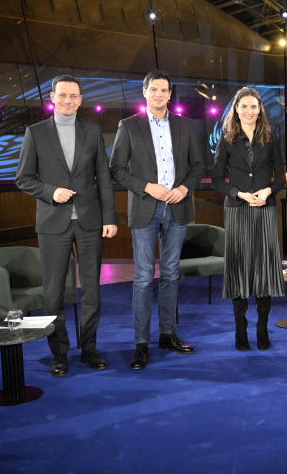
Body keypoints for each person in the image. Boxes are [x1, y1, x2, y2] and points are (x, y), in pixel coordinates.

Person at [15, 74, 117, 377]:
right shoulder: (35, 132)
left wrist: (109, 218)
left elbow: (103, 178)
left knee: (92, 292)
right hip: (52, 223)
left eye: (74, 96)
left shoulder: (93, 131)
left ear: (81, 99)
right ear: (52, 97)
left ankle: (89, 348)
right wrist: (51, 192)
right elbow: (23, 178)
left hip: (89, 222)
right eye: (63, 96)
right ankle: (59, 353)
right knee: (53, 292)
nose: (68, 101)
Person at [109, 70, 205, 370]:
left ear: (170, 93)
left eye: (164, 90)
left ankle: (167, 334)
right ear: (145, 91)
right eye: (154, 90)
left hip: (177, 208)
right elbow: (117, 169)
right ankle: (141, 344)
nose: (160, 95)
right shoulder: (128, 125)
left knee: (171, 274)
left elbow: (198, 164)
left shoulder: (185, 125)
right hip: (145, 208)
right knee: (142, 279)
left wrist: (184, 188)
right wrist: (146, 186)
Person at [211, 87, 286, 351]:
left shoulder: (271, 137)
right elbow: (217, 180)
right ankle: (240, 330)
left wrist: (268, 190)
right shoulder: (226, 139)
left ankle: (262, 328)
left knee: (263, 271)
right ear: (236, 109)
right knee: (240, 270)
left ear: (260, 110)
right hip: (237, 209)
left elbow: (280, 176)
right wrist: (238, 193)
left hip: (265, 208)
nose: (249, 111)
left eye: (254, 107)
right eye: (244, 106)